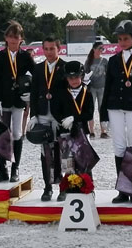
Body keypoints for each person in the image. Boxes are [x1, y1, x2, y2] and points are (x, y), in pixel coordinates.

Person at [100, 20, 132, 203]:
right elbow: (107, 88)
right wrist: (103, 114)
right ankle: (123, 189)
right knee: (119, 147)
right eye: (120, 39)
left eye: (126, 38)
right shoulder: (114, 60)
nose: (122, 42)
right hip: (115, 107)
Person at [0, 20, 35, 183]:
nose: (13, 41)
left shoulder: (25, 56)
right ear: (6, 38)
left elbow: (35, 74)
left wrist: (29, 92)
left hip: (18, 101)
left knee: (16, 134)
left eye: (16, 38)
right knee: (2, 135)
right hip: (4, 100)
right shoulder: (0, 56)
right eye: (10, 37)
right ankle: (2, 169)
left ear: (21, 39)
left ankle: (15, 168)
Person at [27, 37, 67, 200]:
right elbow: (34, 93)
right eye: (46, 49)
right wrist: (34, 115)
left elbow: (67, 94)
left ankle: (63, 187)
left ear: (59, 49)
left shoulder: (65, 67)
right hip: (43, 115)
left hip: (59, 117)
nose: (49, 52)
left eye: (52, 49)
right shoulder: (38, 69)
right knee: (45, 153)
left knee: (62, 152)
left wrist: (65, 116)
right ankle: (47, 186)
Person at [50, 60, 94, 201]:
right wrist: (63, 120)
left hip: (82, 130)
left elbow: (90, 114)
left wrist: (75, 118)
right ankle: (66, 187)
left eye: (76, 77)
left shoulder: (87, 93)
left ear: (81, 76)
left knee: (84, 160)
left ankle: (87, 186)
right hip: (65, 130)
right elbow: (55, 110)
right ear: (66, 78)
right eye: (70, 78)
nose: (74, 80)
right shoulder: (61, 92)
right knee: (67, 161)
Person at [84, 40, 108, 138]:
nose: (101, 50)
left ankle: (103, 130)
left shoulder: (105, 61)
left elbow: (108, 74)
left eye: (102, 49)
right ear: (94, 49)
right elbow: (84, 75)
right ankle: (91, 130)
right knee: (91, 108)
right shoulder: (89, 61)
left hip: (102, 87)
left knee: (102, 109)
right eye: (99, 48)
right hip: (92, 88)